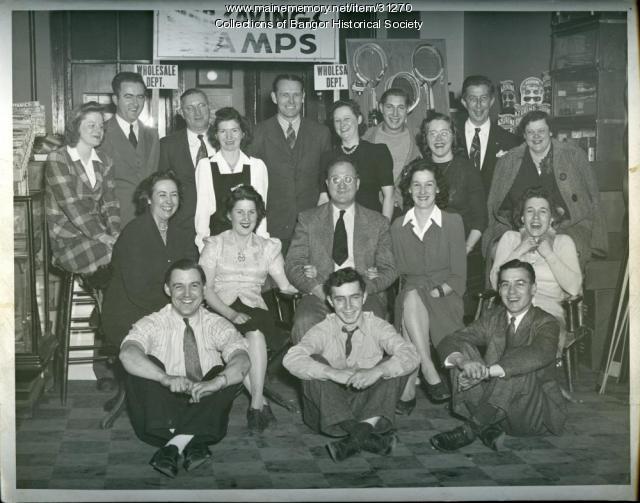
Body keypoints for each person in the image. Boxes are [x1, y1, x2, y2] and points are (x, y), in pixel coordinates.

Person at [119, 259, 250, 478]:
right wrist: (165, 378)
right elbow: (127, 354)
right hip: (160, 419)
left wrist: (215, 383)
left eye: (194, 285)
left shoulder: (216, 324)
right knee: (145, 363)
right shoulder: (153, 322)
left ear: (204, 289)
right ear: (167, 289)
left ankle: (172, 447)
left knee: (223, 373)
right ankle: (192, 441)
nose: (187, 294)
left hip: (203, 403)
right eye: (179, 286)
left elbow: (243, 359)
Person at [429, 259, 567, 452]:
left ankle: (471, 429)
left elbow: (539, 353)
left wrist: (487, 372)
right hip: (493, 410)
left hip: (531, 415)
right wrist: (463, 362)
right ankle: (486, 428)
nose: (511, 292)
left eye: (520, 284)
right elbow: (451, 340)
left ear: (534, 289)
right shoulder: (494, 318)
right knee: (462, 349)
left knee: (517, 364)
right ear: (499, 290)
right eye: (505, 285)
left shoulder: (546, 322)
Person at [283, 268, 419, 462]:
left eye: (354, 297)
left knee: (393, 362)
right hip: (326, 415)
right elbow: (291, 358)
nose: (348, 307)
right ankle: (364, 436)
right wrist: (330, 373)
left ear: (364, 297)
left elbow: (411, 354)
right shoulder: (322, 329)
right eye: (339, 299)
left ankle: (357, 437)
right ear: (330, 301)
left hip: (369, 409)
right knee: (314, 364)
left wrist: (378, 371)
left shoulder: (377, 325)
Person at [198, 185, 298, 432]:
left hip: (254, 307)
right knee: (247, 332)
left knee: (254, 331)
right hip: (220, 307)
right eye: (239, 212)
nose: (245, 218)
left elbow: (284, 284)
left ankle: (254, 402)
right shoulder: (215, 244)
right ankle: (260, 402)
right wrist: (230, 313)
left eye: (251, 212)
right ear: (229, 214)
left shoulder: (268, 247)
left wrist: (306, 282)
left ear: (258, 215)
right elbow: (205, 289)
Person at [285, 157, 397, 343]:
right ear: (328, 184)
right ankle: (319, 372)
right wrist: (318, 289)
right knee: (305, 322)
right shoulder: (308, 219)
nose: (342, 185)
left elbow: (390, 269)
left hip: (363, 296)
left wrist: (364, 289)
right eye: (336, 180)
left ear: (358, 183)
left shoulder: (378, 222)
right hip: (321, 293)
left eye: (348, 179)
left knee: (372, 327)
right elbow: (293, 264)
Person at [483, 110, 608, 269]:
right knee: (505, 259)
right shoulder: (508, 161)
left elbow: (593, 198)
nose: (536, 136)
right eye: (530, 132)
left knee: (559, 257)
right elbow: (494, 204)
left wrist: (598, 242)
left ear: (550, 131)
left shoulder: (574, 156)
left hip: (567, 227)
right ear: (524, 135)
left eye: (541, 131)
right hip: (517, 227)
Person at [390, 159, 466, 411]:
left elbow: (459, 277)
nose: (423, 191)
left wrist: (438, 290)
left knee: (412, 303)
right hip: (411, 295)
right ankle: (427, 367)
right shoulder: (398, 227)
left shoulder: (453, 222)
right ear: (409, 190)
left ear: (438, 189)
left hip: (444, 295)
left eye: (429, 185)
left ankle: (410, 385)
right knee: (411, 296)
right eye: (416, 185)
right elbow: (398, 273)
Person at [102, 171, 199, 351]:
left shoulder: (182, 234)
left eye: (174, 194)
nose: (169, 201)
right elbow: (139, 291)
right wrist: (177, 311)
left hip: (173, 309)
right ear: (148, 199)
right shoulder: (134, 234)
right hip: (131, 314)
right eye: (162, 195)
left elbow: (192, 276)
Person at [490, 187, 582, 357]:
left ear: (551, 218)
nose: (536, 217)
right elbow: (496, 283)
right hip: (510, 310)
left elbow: (574, 288)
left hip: (548, 314)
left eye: (543, 211)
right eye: (530, 211)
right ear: (523, 218)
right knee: (503, 337)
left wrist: (549, 254)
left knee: (535, 342)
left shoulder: (563, 242)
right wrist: (519, 250)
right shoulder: (510, 239)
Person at [247, 74, 332, 252]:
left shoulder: (321, 133)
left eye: (296, 94)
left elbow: (326, 176)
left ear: (303, 97)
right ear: (274, 97)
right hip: (271, 226)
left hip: (311, 225)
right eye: (285, 94)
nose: (291, 100)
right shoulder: (258, 133)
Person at [45, 101, 120, 286]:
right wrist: (102, 236)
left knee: (129, 250)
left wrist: (116, 234)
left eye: (101, 126)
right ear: (76, 126)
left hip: (100, 237)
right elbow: (71, 205)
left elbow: (111, 204)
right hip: (68, 241)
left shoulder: (105, 161)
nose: (98, 130)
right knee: (120, 256)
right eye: (91, 125)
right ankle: (106, 306)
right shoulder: (58, 158)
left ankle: (105, 308)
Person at [194, 107, 268, 251]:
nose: (229, 137)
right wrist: (205, 249)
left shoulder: (257, 166)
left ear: (243, 134)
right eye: (223, 131)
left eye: (234, 131)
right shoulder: (205, 166)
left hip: (250, 245)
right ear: (215, 135)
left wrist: (262, 248)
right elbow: (202, 214)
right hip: (218, 245)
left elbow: (261, 213)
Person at [319, 99, 394, 221]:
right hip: (338, 223)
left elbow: (389, 195)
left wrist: (383, 230)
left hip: (370, 222)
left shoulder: (378, 152)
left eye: (347, 119)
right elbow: (324, 198)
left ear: (358, 119)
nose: (342, 124)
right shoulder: (328, 157)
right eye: (337, 120)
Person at [101, 71, 160, 226]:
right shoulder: (101, 134)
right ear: (115, 99)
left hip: (149, 220)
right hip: (114, 221)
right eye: (128, 96)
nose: (135, 103)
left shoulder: (152, 134)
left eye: (140, 97)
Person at [158, 88, 215, 245]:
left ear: (209, 107)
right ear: (182, 113)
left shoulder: (225, 139)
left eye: (201, 105)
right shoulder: (167, 145)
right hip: (182, 229)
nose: (197, 112)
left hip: (220, 229)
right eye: (190, 108)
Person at [457, 75, 521, 193]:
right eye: (472, 98)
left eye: (483, 98)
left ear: (491, 101)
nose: (478, 105)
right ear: (464, 102)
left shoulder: (510, 142)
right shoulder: (451, 137)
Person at [362, 88, 421, 216]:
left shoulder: (419, 139)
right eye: (389, 107)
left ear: (407, 109)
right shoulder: (365, 138)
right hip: (370, 211)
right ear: (381, 108)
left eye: (400, 107)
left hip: (408, 212)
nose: (395, 113)